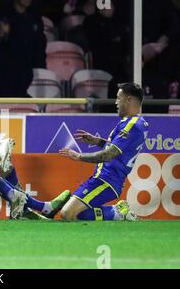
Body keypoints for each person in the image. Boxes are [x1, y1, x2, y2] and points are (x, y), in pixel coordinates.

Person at [59, 83, 148, 221]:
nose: (116, 102)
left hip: (107, 181)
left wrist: (78, 156)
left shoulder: (132, 125)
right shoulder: (134, 123)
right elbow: (119, 149)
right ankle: (116, 212)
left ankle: (118, 212)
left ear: (129, 100)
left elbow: (109, 154)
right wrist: (98, 141)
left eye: (119, 98)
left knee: (67, 213)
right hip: (104, 178)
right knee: (80, 213)